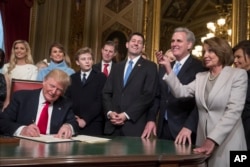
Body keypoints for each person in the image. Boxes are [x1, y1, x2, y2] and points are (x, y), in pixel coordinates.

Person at [156, 37, 247, 167]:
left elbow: (234, 111)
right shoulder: (201, 77)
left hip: (229, 142)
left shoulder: (238, 75)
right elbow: (180, 92)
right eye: (204, 52)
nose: (205, 55)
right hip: (202, 143)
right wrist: (167, 67)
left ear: (221, 51)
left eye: (210, 51)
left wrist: (212, 139)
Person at [102, 32, 158, 137]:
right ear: (127, 44)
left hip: (135, 127)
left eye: (139, 42)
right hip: (113, 126)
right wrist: (110, 113)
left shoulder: (150, 67)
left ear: (142, 47)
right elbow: (106, 92)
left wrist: (126, 115)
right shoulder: (116, 67)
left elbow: (148, 95)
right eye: (133, 41)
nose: (136, 44)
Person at [156, 27, 206, 145]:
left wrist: (189, 126)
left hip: (184, 131)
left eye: (179, 41)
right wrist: (151, 120)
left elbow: (199, 103)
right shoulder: (165, 66)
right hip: (163, 128)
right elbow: (159, 96)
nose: (174, 44)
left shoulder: (199, 68)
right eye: (172, 41)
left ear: (189, 45)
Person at [0, 69, 78, 138]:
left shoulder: (65, 103)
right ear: (44, 81)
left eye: (59, 90)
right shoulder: (21, 98)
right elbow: (3, 121)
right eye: (52, 86)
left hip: (52, 149)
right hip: (23, 146)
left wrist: (68, 127)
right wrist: (23, 130)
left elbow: (74, 123)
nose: (53, 92)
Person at [65, 47, 106, 135]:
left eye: (89, 59)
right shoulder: (72, 78)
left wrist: (85, 119)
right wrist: (74, 117)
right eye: (83, 59)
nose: (87, 61)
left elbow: (100, 101)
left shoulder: (100, 77)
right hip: (75, 122)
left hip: (94, 123)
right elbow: (67, 100)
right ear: (77, 62)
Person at [233, 40, 250, 150]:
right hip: (239, 128)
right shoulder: (237, 77)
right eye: (234, 57)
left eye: (238, 57)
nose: (235, 61)